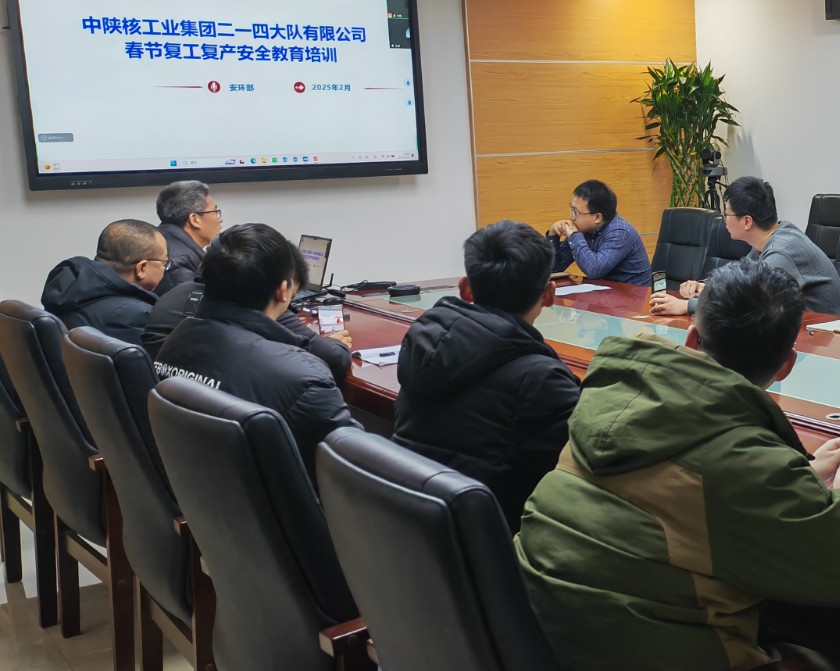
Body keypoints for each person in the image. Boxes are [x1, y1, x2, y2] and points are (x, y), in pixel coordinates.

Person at [518, 260, 840, 671]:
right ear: (787, 365)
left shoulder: (609, 395)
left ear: (692, 339)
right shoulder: (743, 466)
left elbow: (681, 494)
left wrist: (800, 474)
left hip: (542, 643)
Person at [393, 220, 580, 527]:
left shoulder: (422, 344)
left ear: (465, 288)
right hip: (502, 542)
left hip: (415, 531)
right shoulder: (541, 380)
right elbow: (588, 469)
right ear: (549, 294)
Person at [153, 224, 357, 484]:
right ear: (283, 291)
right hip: (283, 505)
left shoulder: (176, 340)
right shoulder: (303, 377)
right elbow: (356, 466)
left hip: (196, 489)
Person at [649, 176, 840, 316]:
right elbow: (742, 279)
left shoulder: (781, 253)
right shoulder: (772, 236)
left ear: (747, 221)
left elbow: (749, 304)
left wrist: (686, 306)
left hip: (823, 341)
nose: (724, 220)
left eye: (727, 214)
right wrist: (706, 286)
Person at [140, 278, 353, 381]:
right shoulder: (298, 375)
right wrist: (336, 343)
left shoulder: (180, 331)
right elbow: (334, 358)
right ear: (282, 289)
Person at [41, 219, 166, 345]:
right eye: (164, 263)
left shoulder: (66, 286)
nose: (165, 268)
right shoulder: (137, 316)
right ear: (141, 268)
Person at [547, 179, 652, 286]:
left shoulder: (620, 232)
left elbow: (594, 270)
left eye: (575, 212)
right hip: (605, 292)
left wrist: (574, 236)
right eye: (571, 209)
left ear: (597, 217)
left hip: (634, 293)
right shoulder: (583, 229)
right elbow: (554, 269)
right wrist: (553, 236)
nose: (571, 217)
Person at [154, 180, 223, 294]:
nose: (220, 220)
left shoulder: (161, 237)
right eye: (215, 212)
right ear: (195, 220)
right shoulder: (179, 263)